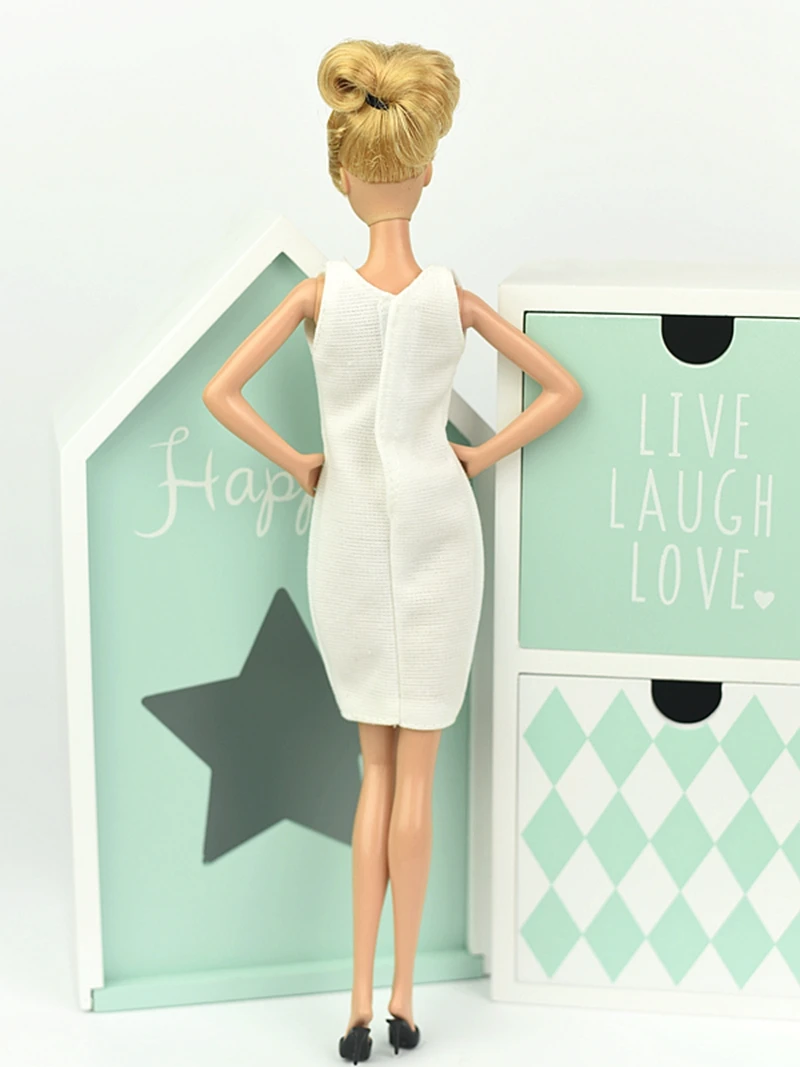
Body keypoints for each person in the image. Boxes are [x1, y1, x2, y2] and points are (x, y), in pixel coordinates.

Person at [203, 38, 582, 1064]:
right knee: (415, 774)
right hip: (438, 528)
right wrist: (478, 456)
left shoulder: (317, 295)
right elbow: (560, 387)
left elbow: (221, 391)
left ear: (343, 174)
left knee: (372, 770)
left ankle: (358, 1000)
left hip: (349, 530)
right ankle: (407, 997)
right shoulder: (450, 297)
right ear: (425, 171)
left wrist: (300, 460)